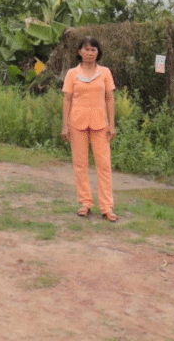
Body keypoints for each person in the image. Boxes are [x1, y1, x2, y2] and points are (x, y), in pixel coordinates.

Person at [61, 36, 118, 222]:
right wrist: (65, 126)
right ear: (79, 52)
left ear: (98, 53)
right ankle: (85, 202)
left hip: (101, 124)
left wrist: (112, 124)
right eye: (86, 49)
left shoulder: (105, 73)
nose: (89, 53)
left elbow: (109, 98)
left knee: (104, 165)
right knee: (80, 164)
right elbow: (67, 99)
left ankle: (107, 207)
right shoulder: (72, 74)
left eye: (93, 50)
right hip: (76, 123)